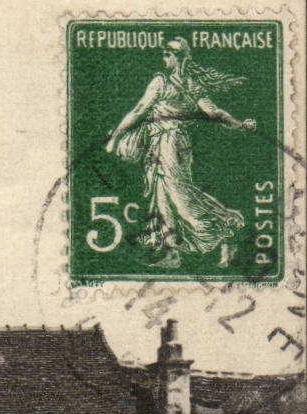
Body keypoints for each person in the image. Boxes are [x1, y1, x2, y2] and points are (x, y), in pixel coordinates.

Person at [105, 37, 257, 269]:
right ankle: (172, 251)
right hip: (169, 144)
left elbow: (139, 110)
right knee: (163, 195)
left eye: (169, 53)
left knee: (179, 196)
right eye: (164, 53)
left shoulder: (164, 82)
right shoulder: (189, 85)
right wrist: (239, 124)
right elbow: (215, 113)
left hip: (169, 143)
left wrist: (115, 136)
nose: (164, 57)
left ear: (181, 58)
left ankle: (228, 226)